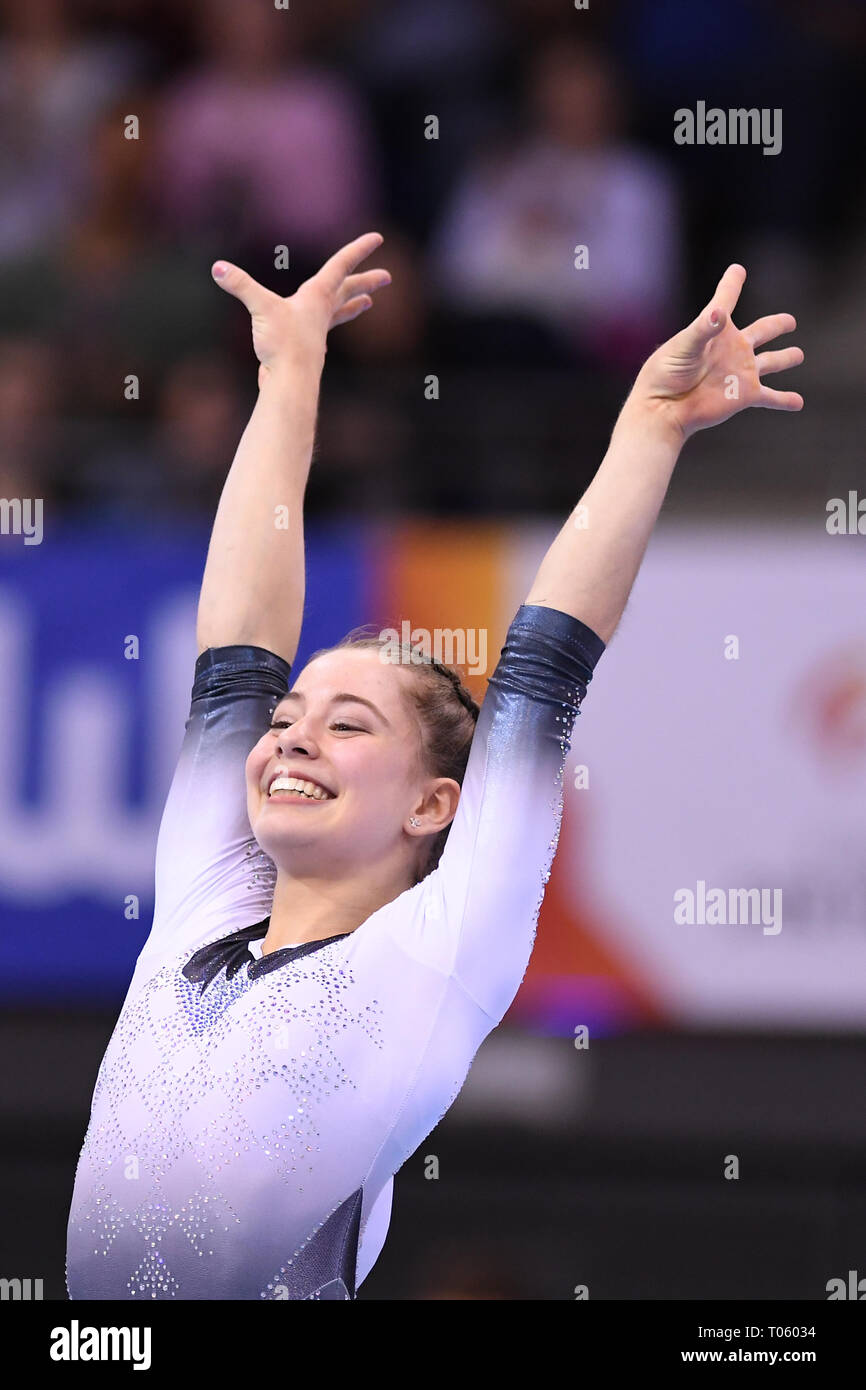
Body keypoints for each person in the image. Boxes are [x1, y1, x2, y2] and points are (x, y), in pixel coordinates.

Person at [66, 233, 802, 1300]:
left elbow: (544, 666)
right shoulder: (201, 913)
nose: (290, 735)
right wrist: (289, 379)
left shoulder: (432, 955)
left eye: (349, 724)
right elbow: (234, 656)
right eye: (292, 716)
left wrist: (646, 430)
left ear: (433, 803)